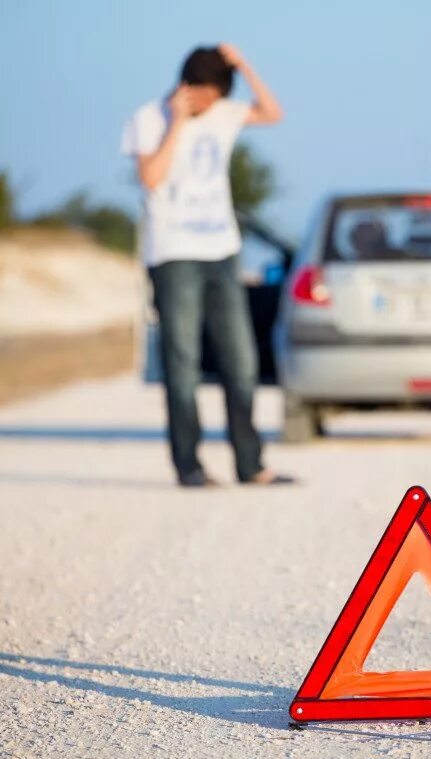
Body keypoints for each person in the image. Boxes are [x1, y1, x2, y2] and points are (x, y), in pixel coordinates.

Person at [121, 43, 293, 487]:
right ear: (186, 88)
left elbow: (273, 113)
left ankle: (250, 463)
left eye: (218, 97)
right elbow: (152, 178)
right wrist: (177, 122)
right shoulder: (148, 118)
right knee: (183, 364)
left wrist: (245, 65)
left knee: (242, 362)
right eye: (205, 97)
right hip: (173, 255)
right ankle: (189, 465)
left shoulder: (224, 113)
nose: (211, 105)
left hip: (222, 251)